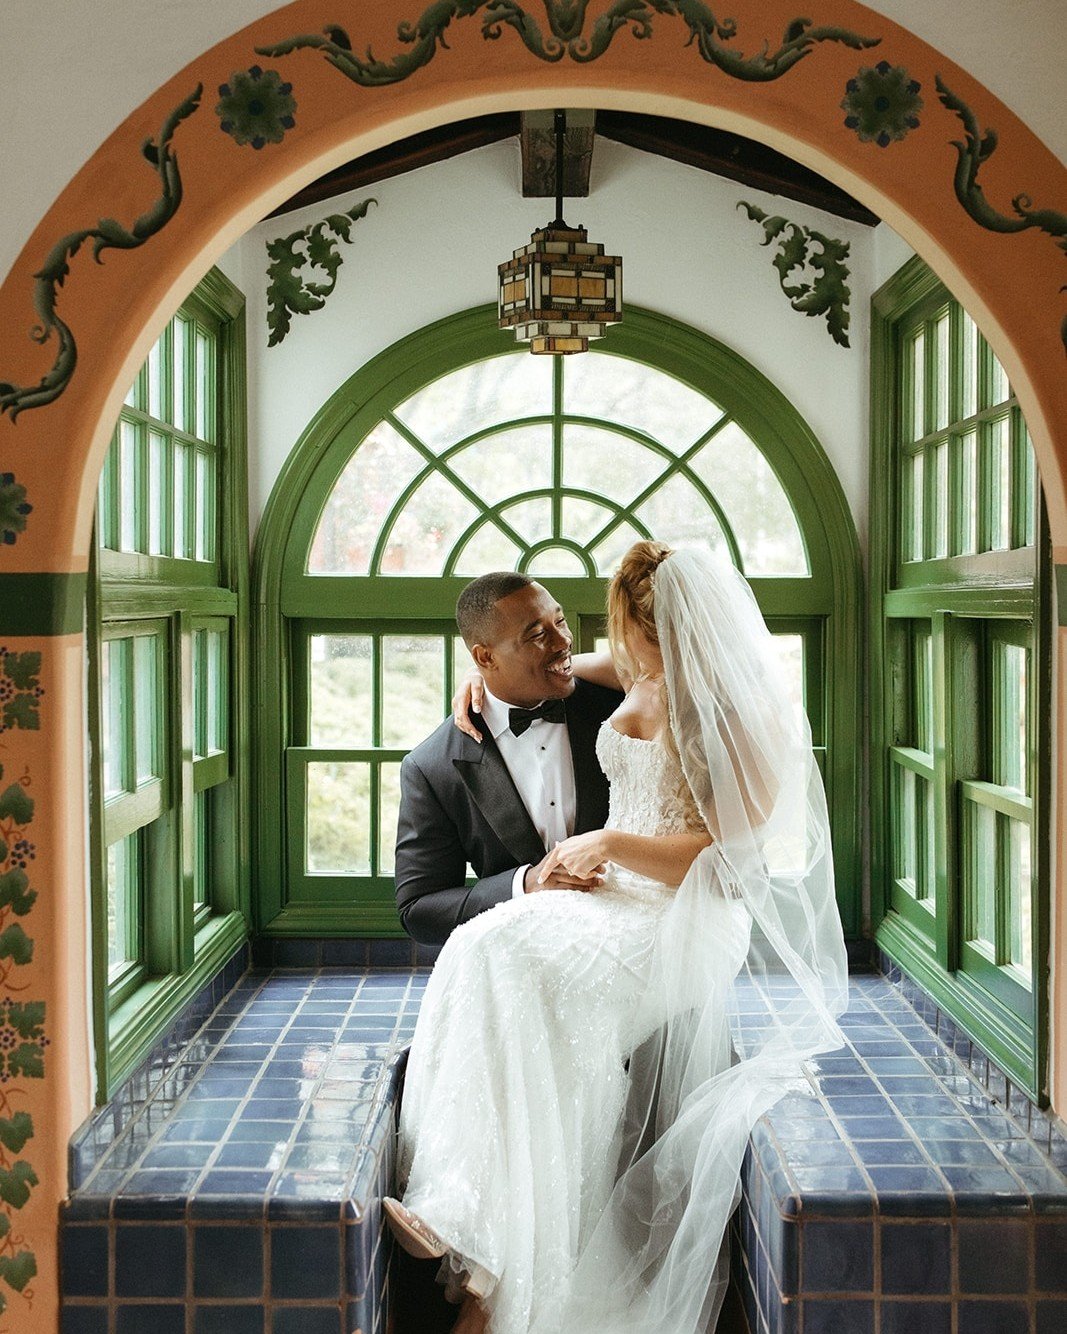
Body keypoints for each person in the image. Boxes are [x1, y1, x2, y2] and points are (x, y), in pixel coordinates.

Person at [386, 542, 848, 1334]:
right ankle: (454, 1213)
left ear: (651, 628)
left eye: (588, 624)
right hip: (617, 899)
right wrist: (485, 687)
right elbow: (420, 902)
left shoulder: (733, 712)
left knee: (538, 1001)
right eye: (544, 631)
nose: (573, 643)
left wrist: (607, 845)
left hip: (687, 916)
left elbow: (732, 861)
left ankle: (498, 1283)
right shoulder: (633, 675)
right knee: (478, 947)